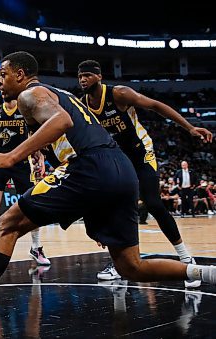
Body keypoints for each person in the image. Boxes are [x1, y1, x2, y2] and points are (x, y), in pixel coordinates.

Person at [0, 51, 216, 337]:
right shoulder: (62, 93)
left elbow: (62, 122)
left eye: (3, 74)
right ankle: (206, 273)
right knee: (130, 266)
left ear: (21, 75)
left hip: (90, 166)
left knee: (7, 224)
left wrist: (11, 156)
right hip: (120, 170)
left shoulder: (30, 95)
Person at [78, 60, 213, 286]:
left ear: (99, 76)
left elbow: (156, 106)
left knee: (153, 203)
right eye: (80, 76)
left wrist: (189, 127)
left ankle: (185, 256)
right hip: (117, 160)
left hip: (141, 153)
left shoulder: (119, 94)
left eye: (87, 75)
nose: (82, 79)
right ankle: (119, 263)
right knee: (112, 208)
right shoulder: (82, 106)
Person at [0, 98, 49, 264]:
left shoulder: (24, 109)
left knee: (31, 204)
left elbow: (34, 135)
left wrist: (38, 155)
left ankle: (36, 247)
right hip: (1, 160)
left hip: (22, 161)